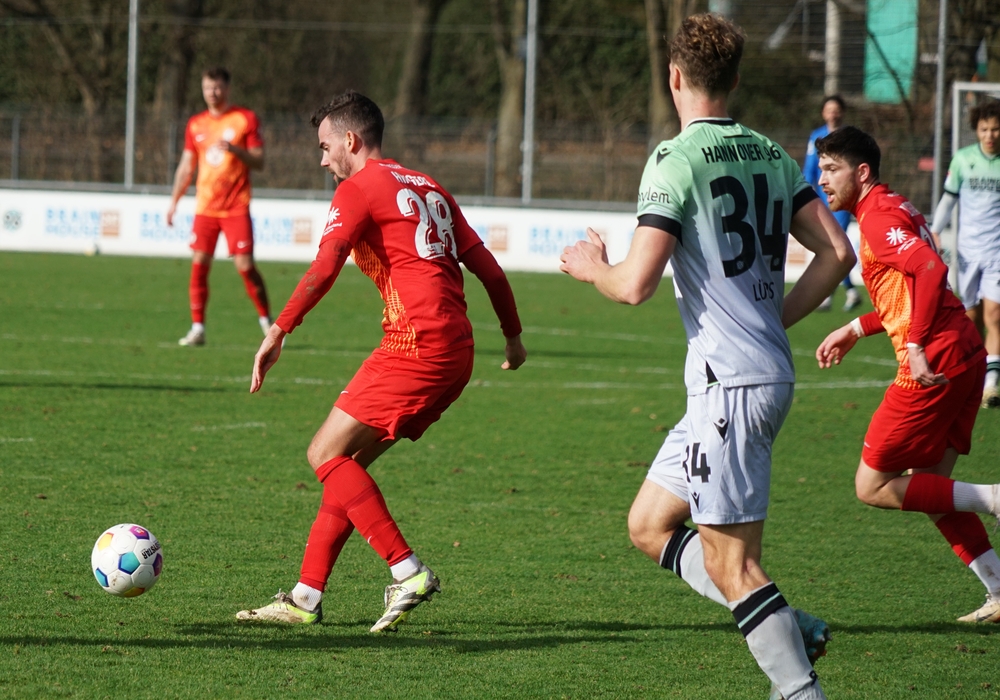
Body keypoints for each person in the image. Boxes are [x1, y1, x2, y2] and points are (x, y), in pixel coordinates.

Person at [560, 14, 854, 700]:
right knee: (649, 524)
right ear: (736, 79)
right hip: (742, 379)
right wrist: (773, 318)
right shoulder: (772, 153)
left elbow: (634, 284)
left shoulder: (675, 158)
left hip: (731, 386)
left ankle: (799, 691)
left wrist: (591, 266)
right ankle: (788, 625)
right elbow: (838, 252)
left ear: (674, 77)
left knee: (733, 565)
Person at [235, 91, 527, 632]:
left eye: (325, 148)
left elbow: (325, 265)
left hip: (415, 345)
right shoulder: (430, 186)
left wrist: (278, 331)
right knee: (346, 466)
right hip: (456, 352)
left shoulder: (359, 187)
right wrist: (512, 338)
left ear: (350, 140)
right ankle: (305, 596)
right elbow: (489, 268)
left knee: (323, 452)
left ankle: (407, 570)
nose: (322, 161)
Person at [815, 126, 1000, 624]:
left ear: (861, 172)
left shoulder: (877, 218)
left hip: (935, 359)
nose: (822, 180)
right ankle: (999, 588)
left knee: (872, 485)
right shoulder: (893, 206)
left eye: (831, 169)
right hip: (964, 350)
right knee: (931, 490)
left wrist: (915, 345)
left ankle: (995, 498)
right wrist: (856, 327)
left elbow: (931, 273)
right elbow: (911, 290)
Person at [167, 67, 272, 347]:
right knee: (199, 265)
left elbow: (260, 161)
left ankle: (267, 322)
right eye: (207, 88)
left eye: (217, 87)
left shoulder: (244, 119)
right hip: (206, 208)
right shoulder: (196, 124)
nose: (212, 93)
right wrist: (174, 202)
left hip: (236, 206)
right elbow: (186, 166)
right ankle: (197, 328)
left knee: (245, 267)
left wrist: (235, 150)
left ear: (227, 88)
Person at [929, 100, 1000, 408]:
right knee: (971, 316)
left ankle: (991, 386)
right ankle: (974, 375)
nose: (990, 135)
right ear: (976, 130)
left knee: (994, 314)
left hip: (997, 250)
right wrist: (934, 230)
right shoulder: (963, 159)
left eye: (995, 129)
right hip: (968, 251)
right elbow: (949, 199)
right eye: (984, 129)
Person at [804, 94, 862, 312]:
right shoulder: (816, 136)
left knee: (837, 245)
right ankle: (848, 291)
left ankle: (831, 294)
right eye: (829, 109)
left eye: (836, 110)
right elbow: (810, 168)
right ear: (823, 113)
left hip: (842, 201)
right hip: (822, 200)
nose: (833, 114)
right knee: (831, 246)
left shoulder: (849, 138)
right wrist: (806, 193)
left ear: (842, 112)